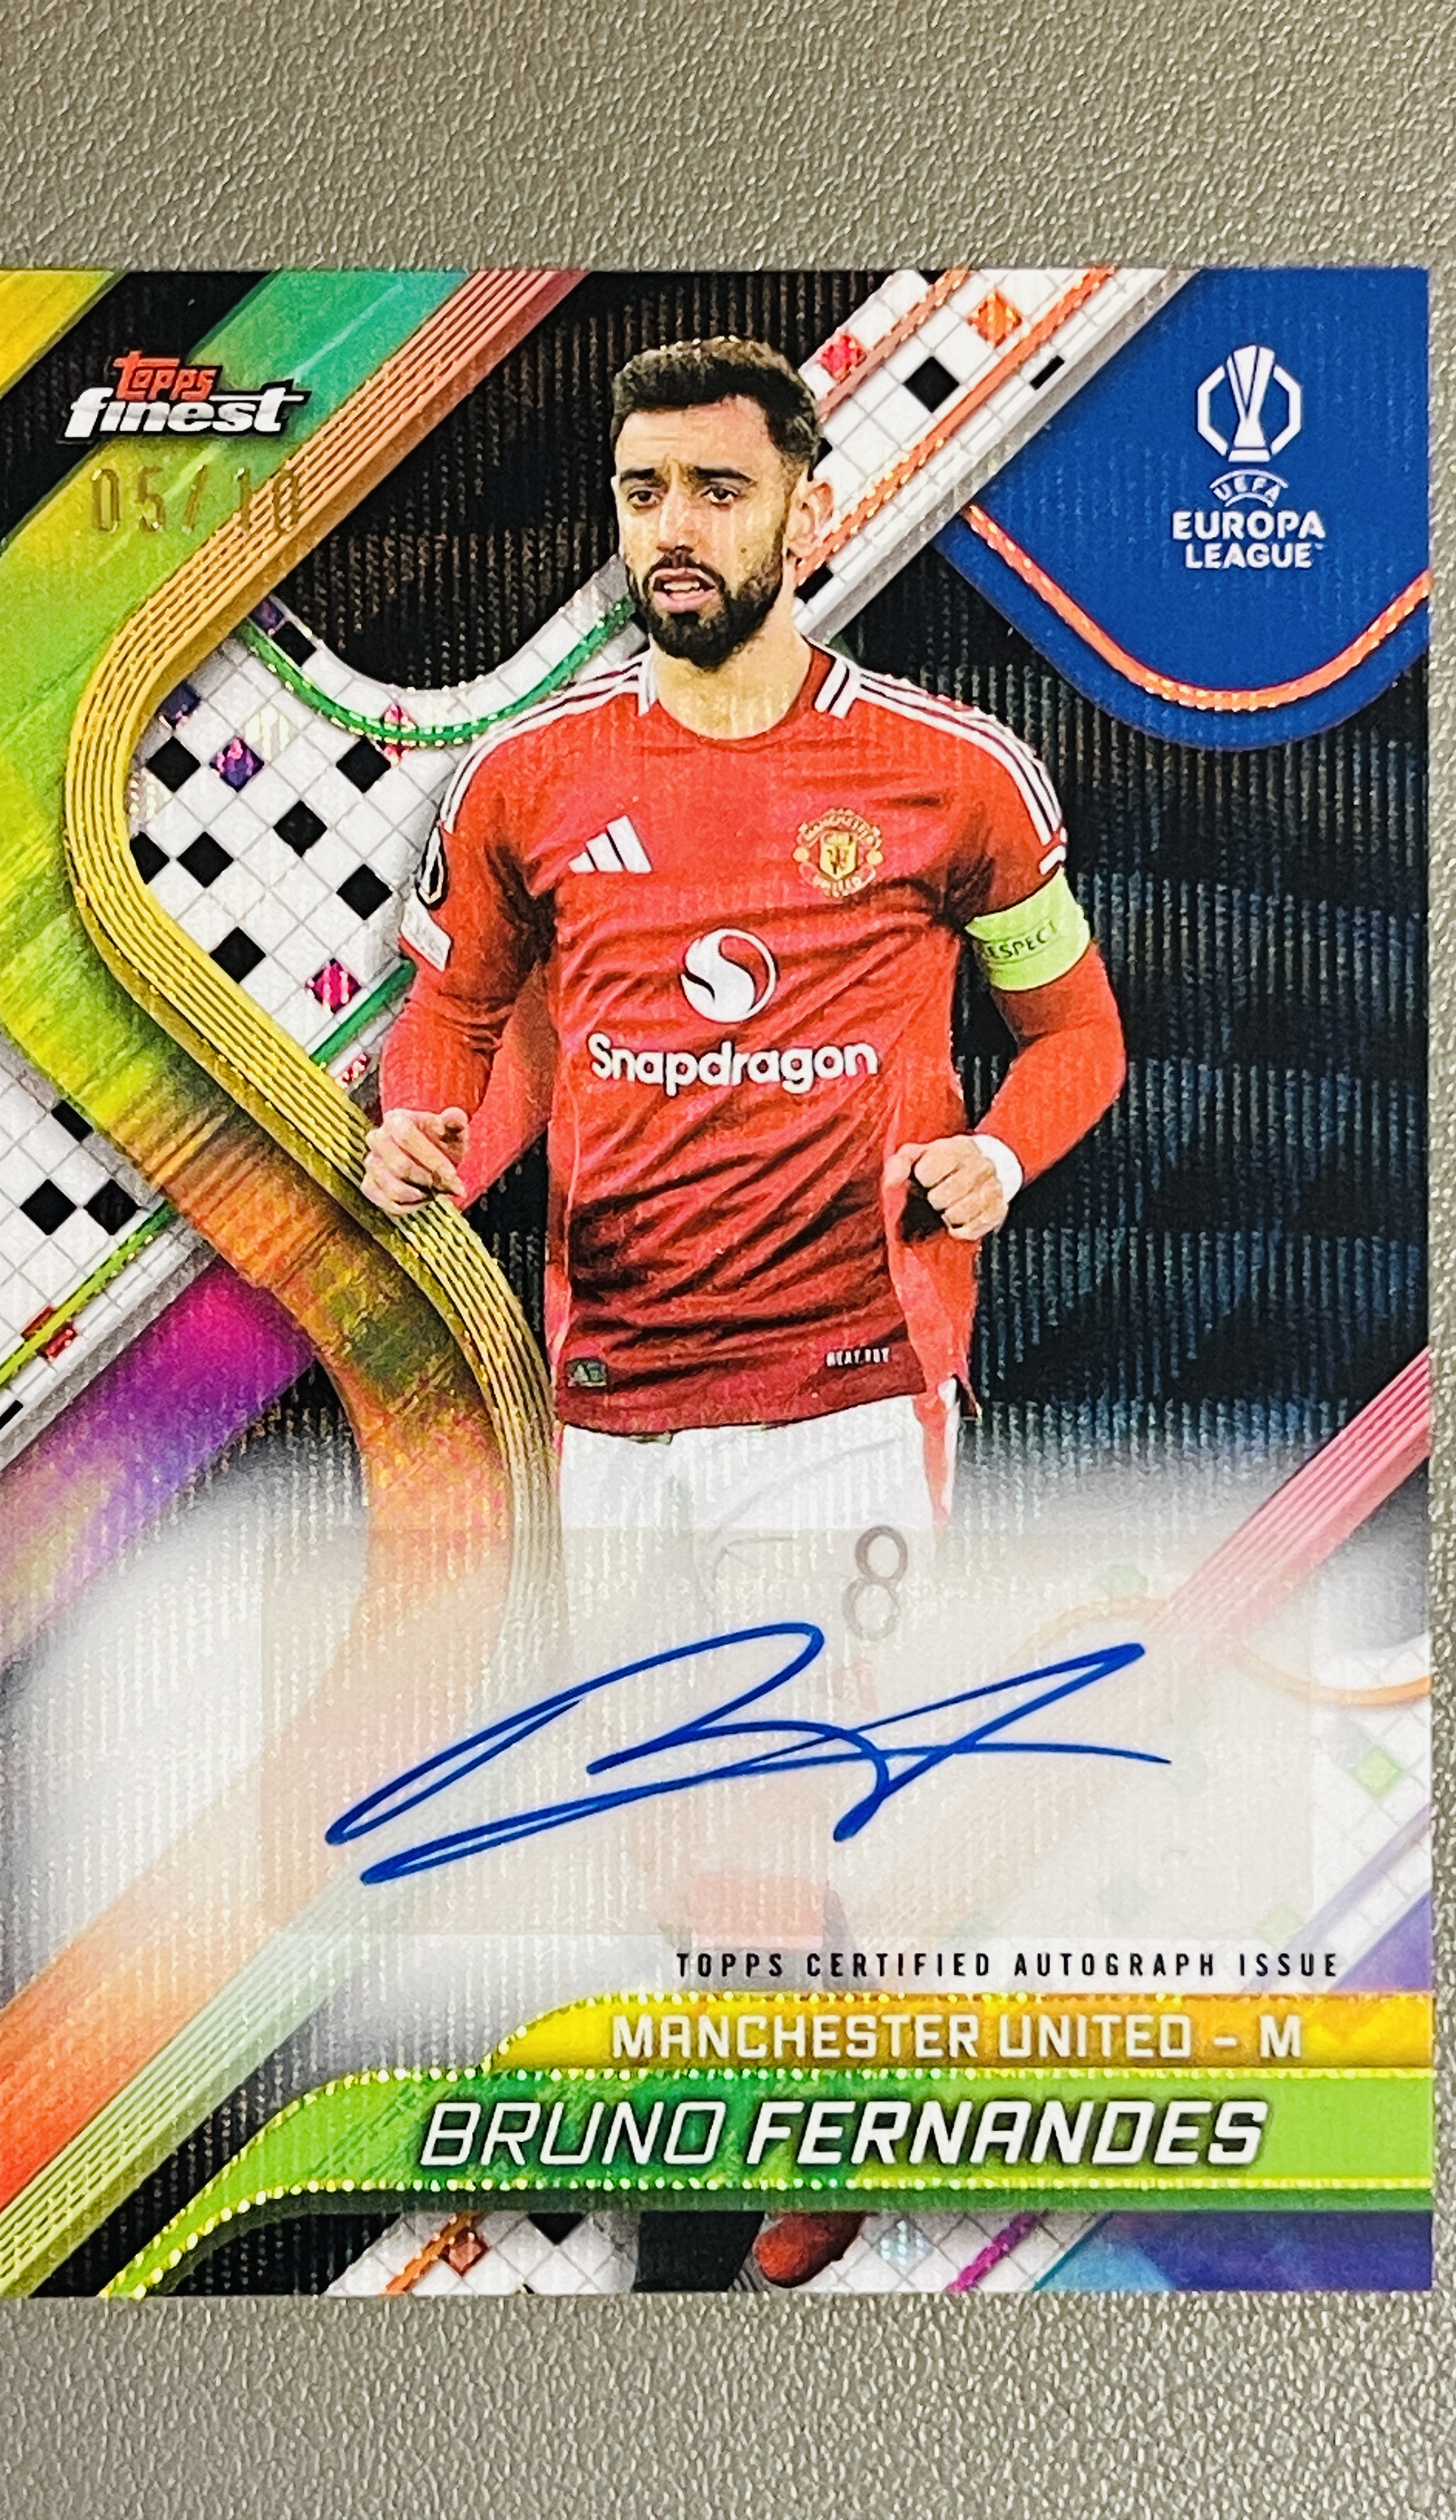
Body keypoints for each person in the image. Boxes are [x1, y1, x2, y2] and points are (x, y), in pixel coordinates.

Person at [364, 336, 1127, 2291]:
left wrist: (1003, 1154)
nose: (676, 531)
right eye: (645, 495)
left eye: (717, 490)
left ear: (809, 505)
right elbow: (454, 1014)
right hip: (613, 1398)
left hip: (849, 1387)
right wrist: (421, 1125)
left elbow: (1076, 1037)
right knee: (665, 1817)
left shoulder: (953, 779)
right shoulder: (527, 782)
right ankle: (803, 2084)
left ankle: (807, 2166)